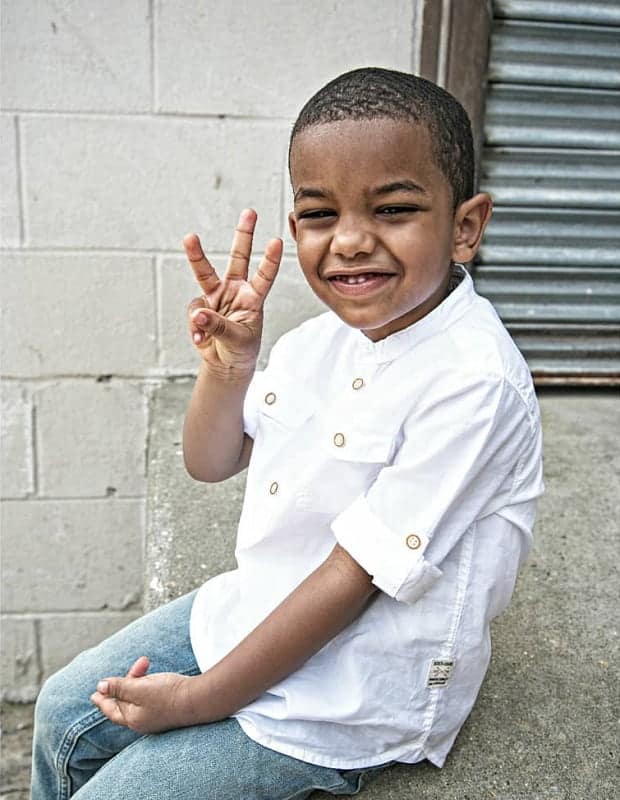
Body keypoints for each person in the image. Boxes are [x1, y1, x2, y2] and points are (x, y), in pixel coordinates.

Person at [30, 67, 544, 799]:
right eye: (320, 214)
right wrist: (229, 367)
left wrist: (202, 700)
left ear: (465, 226)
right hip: (259, 609)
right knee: (61, 713)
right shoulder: (317, 343)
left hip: (353, 694)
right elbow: (209, 462)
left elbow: (350, 580)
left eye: (394, 209)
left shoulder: (474, 383)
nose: (351, 242)